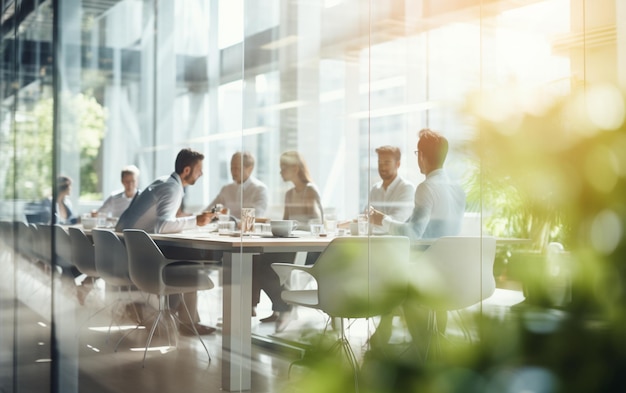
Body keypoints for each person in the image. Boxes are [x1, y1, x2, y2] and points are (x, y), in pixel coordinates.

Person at [368, 129, 466, 352]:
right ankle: (430, 339)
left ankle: (403, 342)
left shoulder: (426, 187)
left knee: (386, 277)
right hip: (451, 270)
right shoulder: (458, 190)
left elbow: (413, 234)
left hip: (428, 270)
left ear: (421, 156)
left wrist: (383, 221)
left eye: (417, 153)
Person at [115, 148, 216, 335]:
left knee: (184, 257)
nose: (201, 173)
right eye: (199, 170)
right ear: (186, 171)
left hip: (125, 249)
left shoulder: (163, 182)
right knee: (191, 260)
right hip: (139, 257)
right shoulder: (172, 188)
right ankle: (185, 321)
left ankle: (176, 316)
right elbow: (162, 226)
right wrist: (197, 221)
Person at [253, 151, 324, 332]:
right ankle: (281, 306)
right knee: (256, 260)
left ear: (295, 168)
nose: (280, 172)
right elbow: (286, 222)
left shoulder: (310, 191)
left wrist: (293, 227)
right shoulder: (289, 194)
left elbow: (317, 224)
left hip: (308, 250)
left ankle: (284, 307)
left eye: (283, 167)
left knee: (267, 264)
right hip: (291, 245)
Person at [205, 151, 268, 219]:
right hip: (226, 228)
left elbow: (256, 217)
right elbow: (209, 211)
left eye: (237, 168)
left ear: (250, 169)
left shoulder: (260, 190)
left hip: (247, 229)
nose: (233, 171)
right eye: (232, 167)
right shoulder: (226, 189)